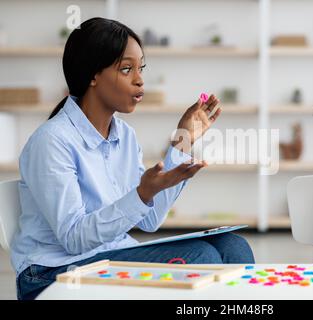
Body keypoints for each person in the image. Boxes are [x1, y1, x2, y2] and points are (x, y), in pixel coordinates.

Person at [11, 17, 254, 300]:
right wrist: (142, 193)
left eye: (141, 69)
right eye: (126, 69)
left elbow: (149, 219)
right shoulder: (51, 141)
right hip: (51, 273)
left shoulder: (124, 135)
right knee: (200, 258)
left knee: (233, 247)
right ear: (93, 75)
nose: (139, 79)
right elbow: (74, 239)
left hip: (108, 254)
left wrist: (182, 141)